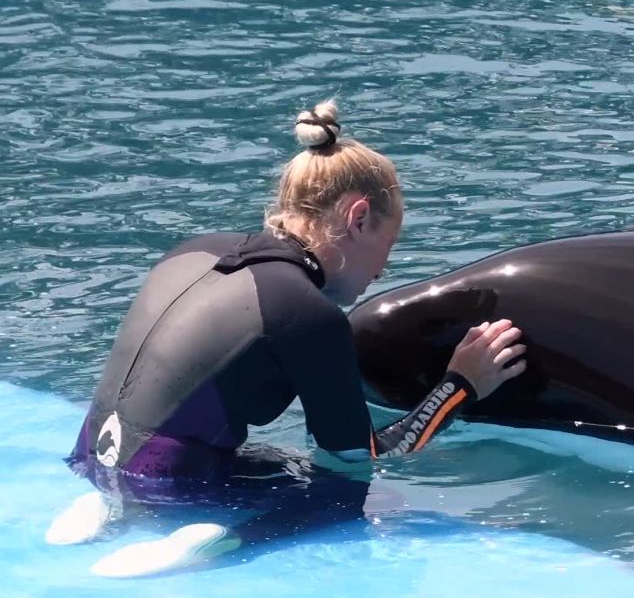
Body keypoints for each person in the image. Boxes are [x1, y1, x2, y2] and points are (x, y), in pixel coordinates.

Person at [48, 99, 528, 576]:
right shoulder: (305, 312)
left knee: (269, 459)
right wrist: (460, 385)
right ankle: (224, 540)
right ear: (358, 218)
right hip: (172, 484)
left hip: (93, 454)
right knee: (346, 494)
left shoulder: (195, 249)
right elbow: (364, 456)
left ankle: (109, 510)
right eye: (388, 245)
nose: (382, 270)